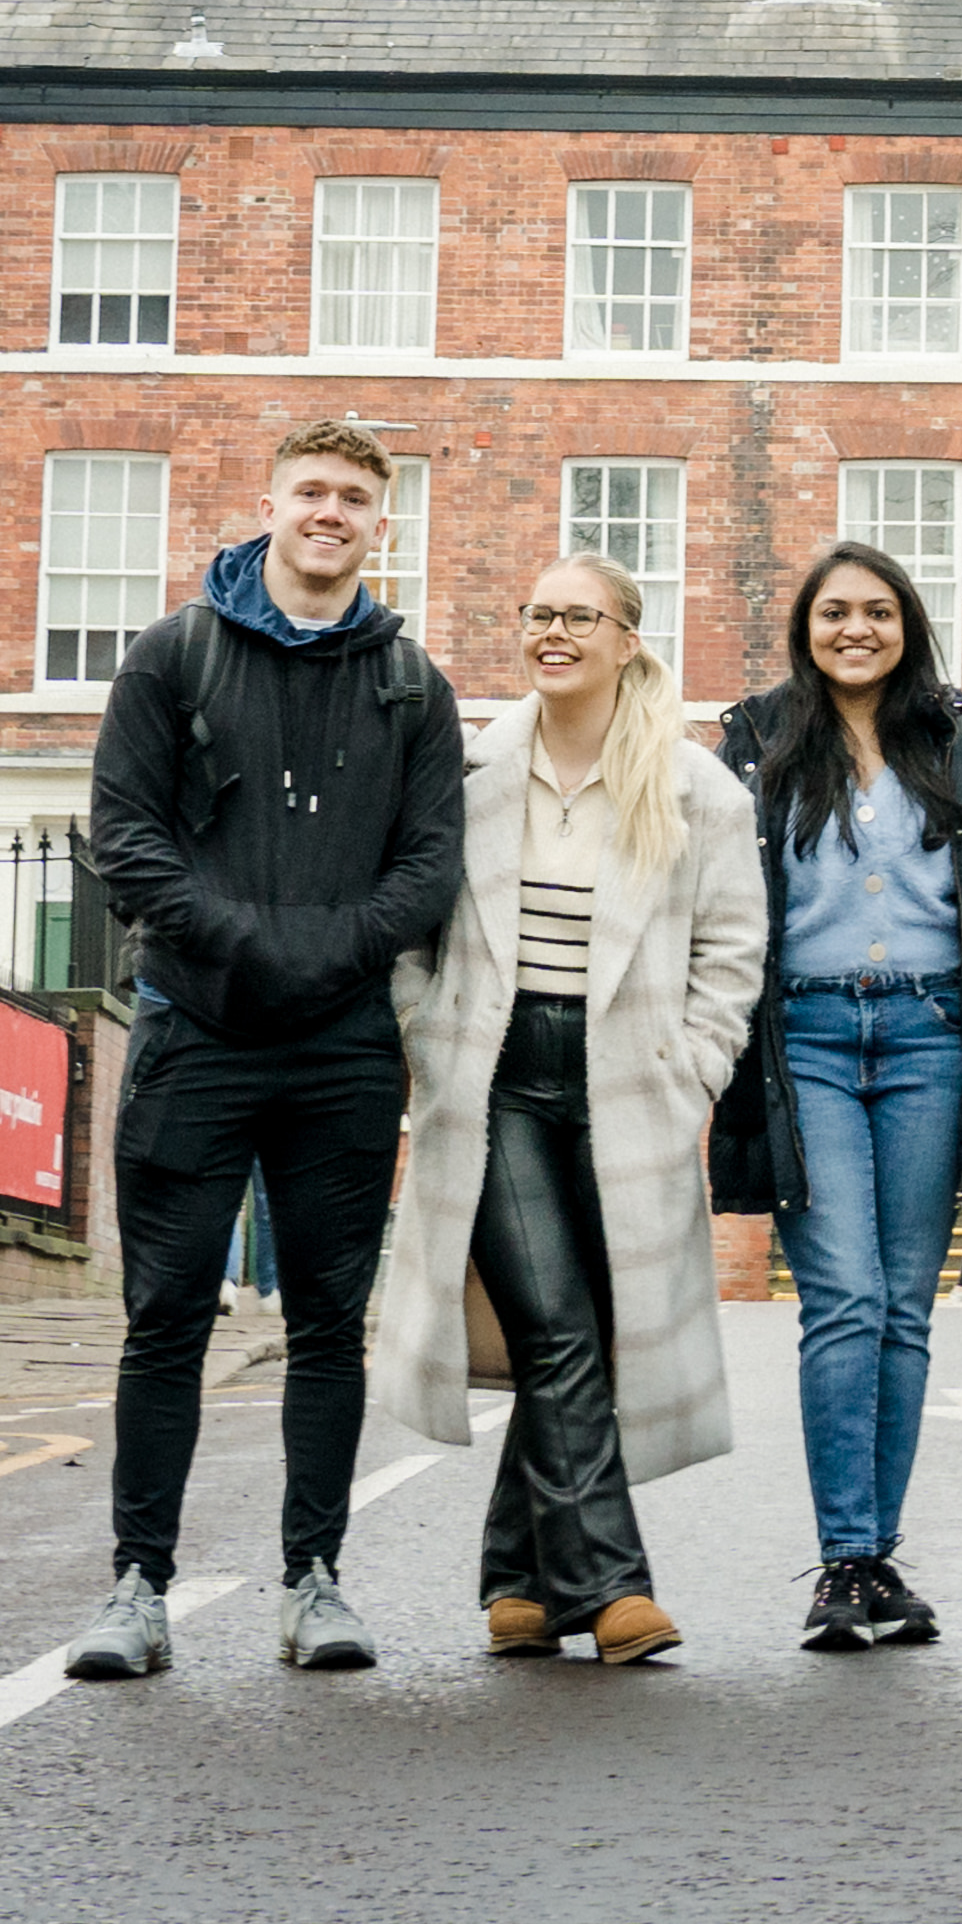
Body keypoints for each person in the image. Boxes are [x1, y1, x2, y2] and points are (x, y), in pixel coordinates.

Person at [70, 419, 468, 1684]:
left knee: (327, 1325)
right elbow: (123, 840)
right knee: (165, 1321)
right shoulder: (173, 655)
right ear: (271, 503)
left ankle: (313, 1581)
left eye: (356, 496)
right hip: (197, 1032)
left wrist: (330, 950)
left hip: (343, 1050)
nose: (331, 512)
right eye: (313, 490)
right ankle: (138, 1588)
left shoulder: (412, 682)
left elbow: (431, 866)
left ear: (379, 522)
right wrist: (249, 943)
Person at [362, 555, 768, 1663]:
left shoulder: (698, 790)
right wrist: (427, 1038)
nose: (553, 632)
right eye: (538, 612)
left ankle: (518, 1579)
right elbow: (410, 925)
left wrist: (694, 1066)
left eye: (578, 617)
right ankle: (614, 1585)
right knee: (552, 1324)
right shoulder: (468, 771)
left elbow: (733, 950)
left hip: (627, 1078)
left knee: (585, 1330)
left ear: (626, 638)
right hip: (495, 1077)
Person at [709, 540, 962, 1652]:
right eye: (834, 612)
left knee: (902, 1301)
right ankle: (844, 1556)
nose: (856, 629)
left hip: (934, 1035)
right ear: (805, 627)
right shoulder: (756, 739)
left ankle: (875, 1556)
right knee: (840, 1295)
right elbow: (705, 878)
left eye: (877, 611)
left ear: (908, 623)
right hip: (810, 1037)